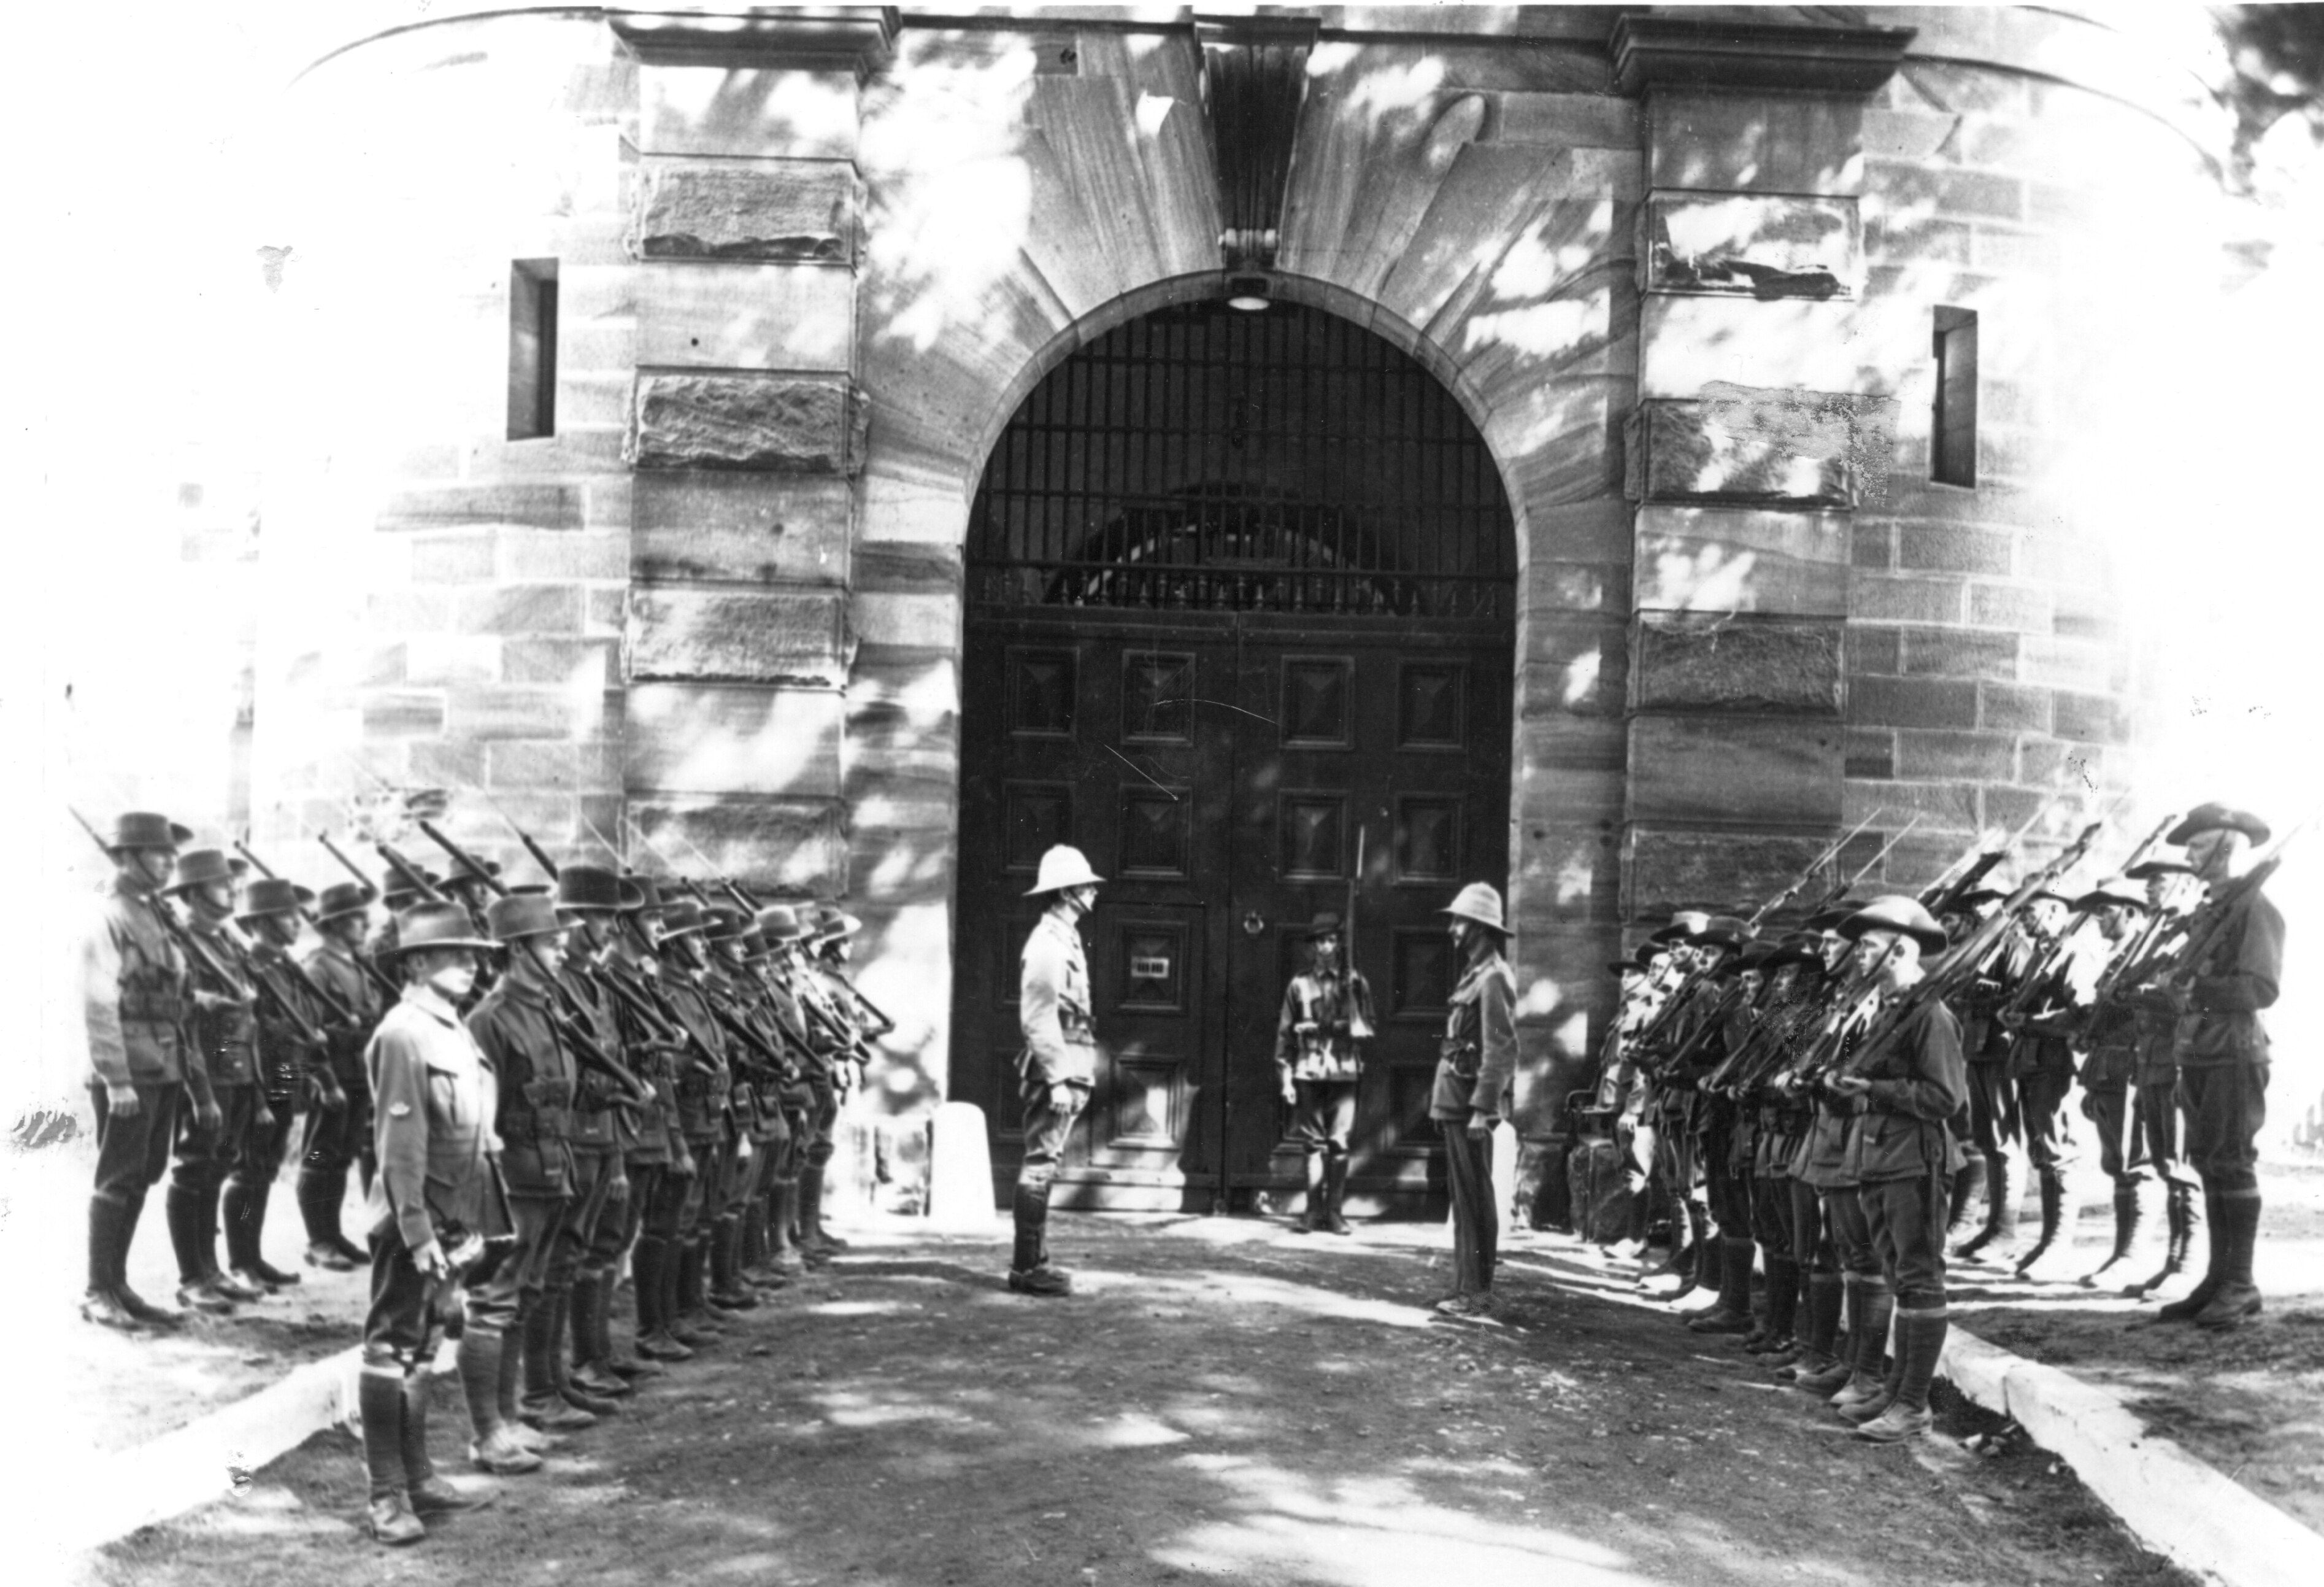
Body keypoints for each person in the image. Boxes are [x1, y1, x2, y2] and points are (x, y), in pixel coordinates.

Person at [360, 900, 507, 1544]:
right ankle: (386, 1495)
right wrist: (418, 1233)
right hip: (415, 1218)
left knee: (422, 1346)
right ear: (416, 961)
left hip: (455, 1211)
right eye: (457, 953)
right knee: (390, 1346)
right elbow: (400, 1147)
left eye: (476, 954)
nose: (473, 964)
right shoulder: (404, 1033)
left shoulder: (453, 1028)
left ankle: (418, 1480)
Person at [1823, 895, 1966, 1444]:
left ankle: (1912, 1403)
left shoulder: (1928, 1014)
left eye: (1866, 946)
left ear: (1901, 951)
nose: (1853, 956)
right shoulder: (1885, 1011)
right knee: (1896, 1277)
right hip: (1881, 1156)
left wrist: (1873, 1089)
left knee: (1917, 1278)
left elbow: (1944, 1096)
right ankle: (1895, 1390)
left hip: (1913, 1158)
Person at [463, 892, 595, 1442]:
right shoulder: (489, 1019)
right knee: (496, 1298)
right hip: (512, 1179)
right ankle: (489, 1432)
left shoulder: (546, 1009)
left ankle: (517, 1414)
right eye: (550, 944)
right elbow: (476, 1117)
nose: (562, 953)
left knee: (528, 1293)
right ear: (518, 950)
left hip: (550, 1169)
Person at [2147, 803, 2283, 1330]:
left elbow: (2261, 988)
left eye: (2198, 847)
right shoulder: (2211, 911)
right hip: (2200, 1049)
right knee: (2206, 1160)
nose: (2188, 856)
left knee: (2231, 1160)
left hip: (2233, 1051)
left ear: (2227, 848)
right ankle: (2218, 1277)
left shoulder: (2256, 909)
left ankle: (2241, 1284)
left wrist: (2193, 989)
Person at [78, 811, 196, 1331]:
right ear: (126, 857)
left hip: (162, 1064)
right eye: (158, 852)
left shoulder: (154, 914)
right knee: (118, 1177)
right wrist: (116, 1077)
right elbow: (99, 1001)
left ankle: (118, 1283)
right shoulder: (107, 914)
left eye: (172, 853)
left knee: (144, 1174)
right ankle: (96, 1290)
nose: (170, 861)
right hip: (128, 1066)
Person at [161, 848, 267, 1315]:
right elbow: (179, 1010)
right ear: (194, 890)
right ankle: (191, 1277)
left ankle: (210, 1269)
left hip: (236, 1066)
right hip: (204, 1066)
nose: (232, 890)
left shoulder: (225, 942)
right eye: (222, 883)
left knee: (217, 1168)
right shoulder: (182, 941)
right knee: (194, 1166)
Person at [235, 875, 342, 1293]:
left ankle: (252, 1257)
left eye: (298, 914)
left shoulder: (284, 968)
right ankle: (241, 1262)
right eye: (286, 914)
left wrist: (319, 1076)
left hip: (287, 1078)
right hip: (261, 1080)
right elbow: (251, 1034)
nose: (297, 922)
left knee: (264, 1170)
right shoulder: (252, 967)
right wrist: (257, 1094)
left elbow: (307, 1027)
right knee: (248, 1171)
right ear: (260, 921)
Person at [1012, 846, 1102, 1297]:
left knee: (1045, 1164)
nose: (1092, 892)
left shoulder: (1063, 938)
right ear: (1067, 892)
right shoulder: (1046, 944)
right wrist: (1057, 1077)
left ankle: (1035, 1261)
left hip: (1071, 1064)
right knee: (1040, 1165)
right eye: (1086, 885)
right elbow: (1038, 1016)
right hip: (1057, 1071)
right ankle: (1028, 1267)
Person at [1431, 881, 1517, 1317]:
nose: (1453, 929)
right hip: (1455, 1099)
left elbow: (1500, 1050)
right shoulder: (1476, 975)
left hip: (1470, 1105)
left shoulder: (1494, 978)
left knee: (1474, 1199)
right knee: (1464, 1201)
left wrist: (1483, 1109)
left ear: (1481, 928)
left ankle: (1476, 1295)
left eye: (1460, 921)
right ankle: (1467, 1287)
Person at [1272, 909, 1376, 1235]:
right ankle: (1312, 1211)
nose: (1326, 947)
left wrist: (1352, 1025)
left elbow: (1370, 1025)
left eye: (1332, 940)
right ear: (1313, 947)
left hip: (1344, 1070)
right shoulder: (1299, 984)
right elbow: (1284, 1036)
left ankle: (1335, 1213)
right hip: (1309, 1070)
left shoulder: (1356, 982)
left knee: (1340, 1144)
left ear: (1340, 945)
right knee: (1312, 1144)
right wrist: (1286, 1078)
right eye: (1320, 941)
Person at [300, 881, 385, 1270]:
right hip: (332, 1076)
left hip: (358, 1075)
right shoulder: (317, 968)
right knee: (320, 1156)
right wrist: (324, 1080)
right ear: (333, 925)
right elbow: (306, 1031)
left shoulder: (357, 965)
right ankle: (318, 1241)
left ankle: (332, 1235)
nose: (364, 925)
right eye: (355, 918)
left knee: (341, 1156)